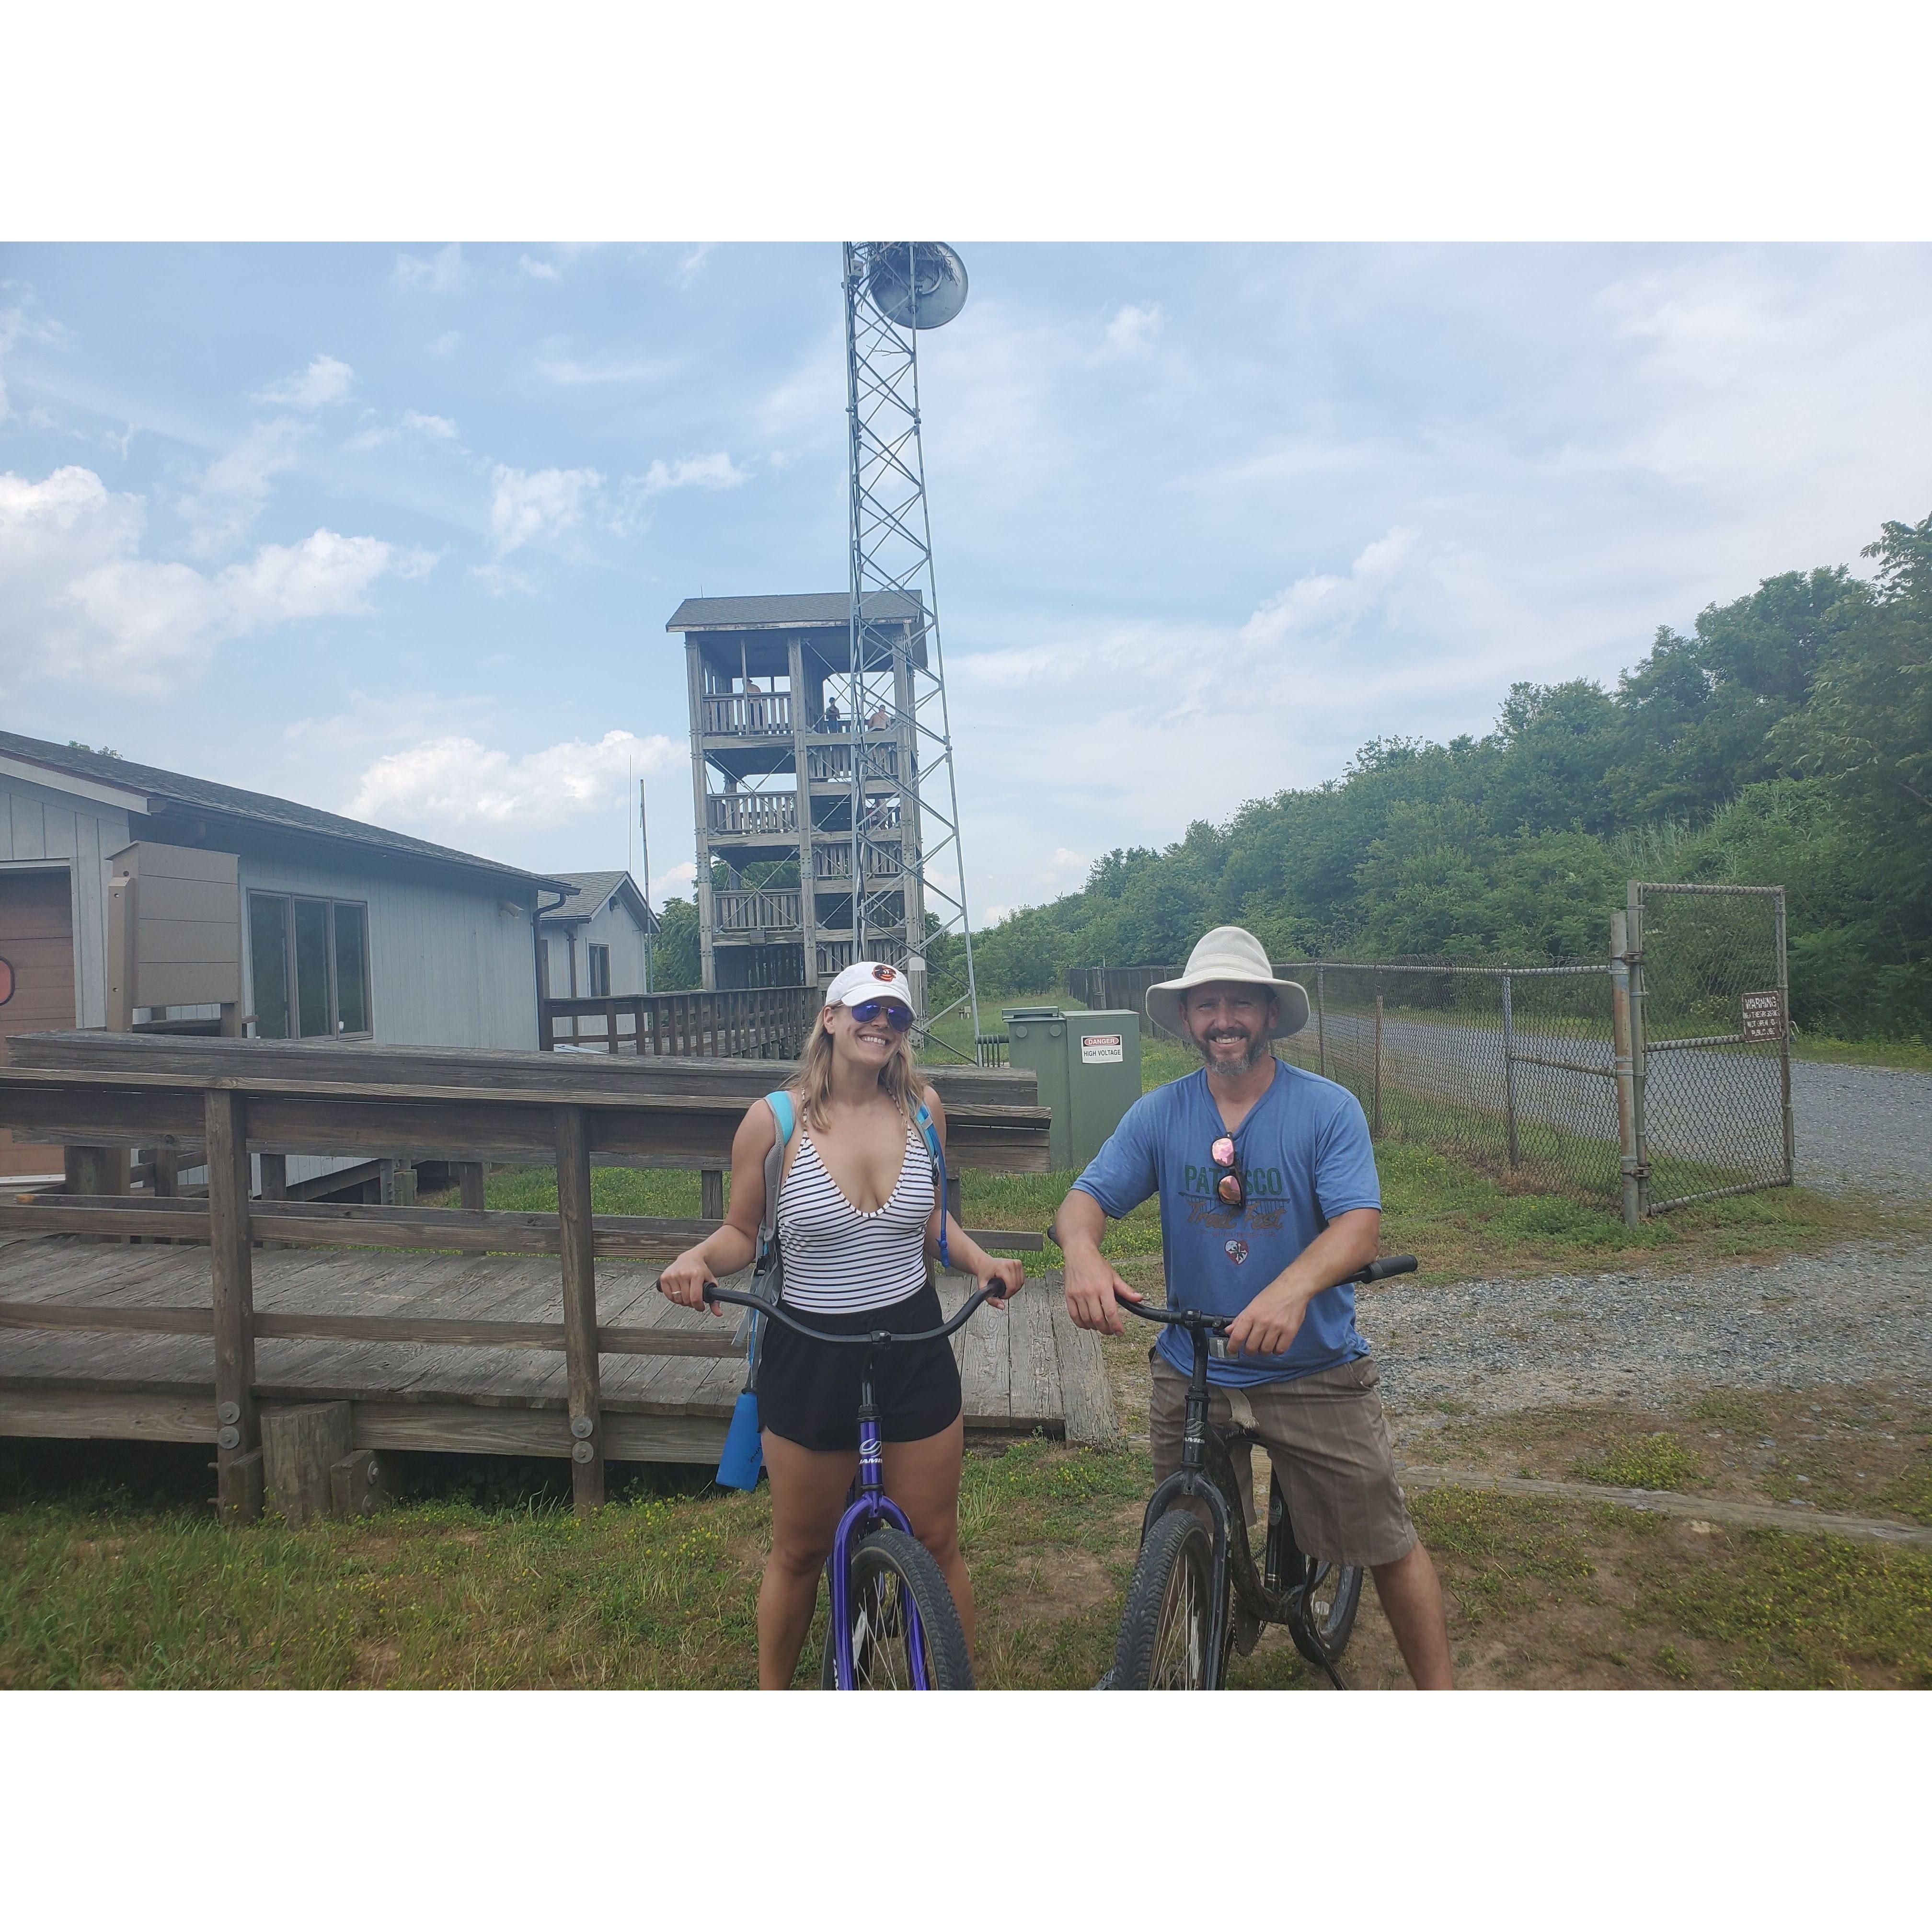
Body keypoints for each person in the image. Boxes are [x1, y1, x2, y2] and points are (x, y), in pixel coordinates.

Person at [1053, 925, 1454, 1688]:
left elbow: (1358, 1227)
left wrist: (1292, 1289)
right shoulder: (1160, 1114)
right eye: (1207, 1005)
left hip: (1313, 1368)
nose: (1223, 1019)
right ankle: (1183, 1657)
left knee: (1384, 1540)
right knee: (1184, 1532)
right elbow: (1085, 1200)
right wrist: (1082, 1254)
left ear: (1270, 1014)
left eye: (1240, 1003)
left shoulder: (1327, 1109)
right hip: (1195, 1367)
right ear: (1187, 1019)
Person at [659, 961, 1025, 1688]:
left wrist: (982, 1260)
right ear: (829, 1018)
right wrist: (696, 1259)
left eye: (896, 1015)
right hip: (811, 1350)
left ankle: (955, 1690)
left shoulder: (924, 1110)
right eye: (866, 1010)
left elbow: (934, 1220)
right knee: (800, 1552)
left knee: (937, 1539)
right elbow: (742, 1232)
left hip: (913, 1344)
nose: (881, 1025)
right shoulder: (774, 1121)